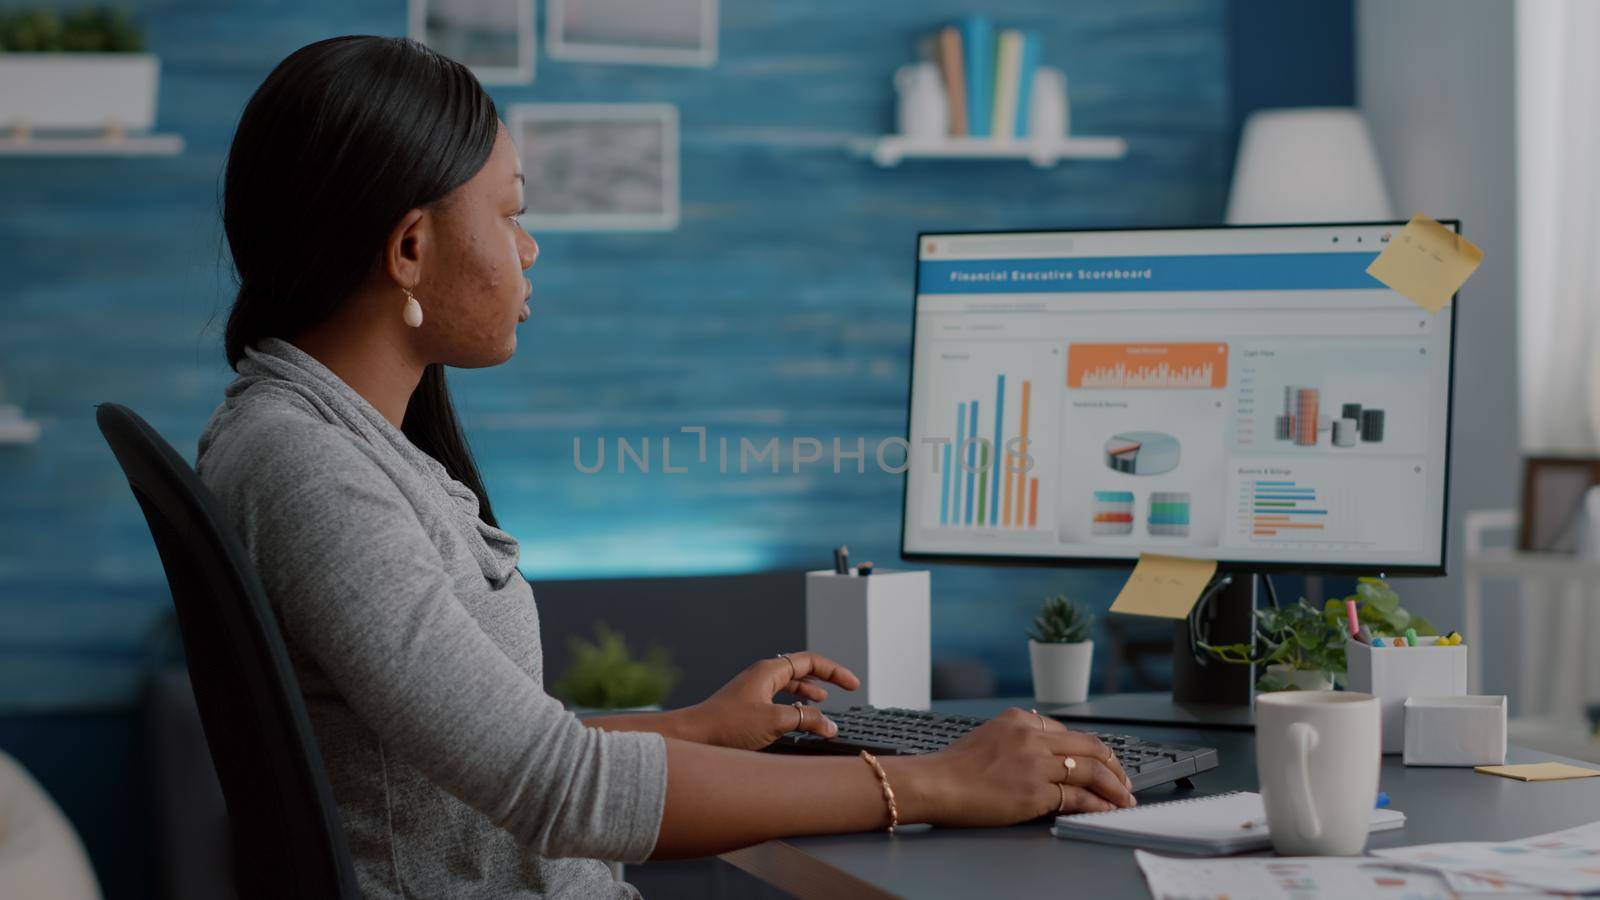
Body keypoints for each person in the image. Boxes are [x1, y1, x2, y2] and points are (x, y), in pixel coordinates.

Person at [195, 35, 1135, 899]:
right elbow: (558, 790)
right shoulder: (313, 471)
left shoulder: (313, 440)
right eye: (512, 214)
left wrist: (690, 729)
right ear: (410, 248)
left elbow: (488, 757)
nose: (529, 250)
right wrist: (932, 783)